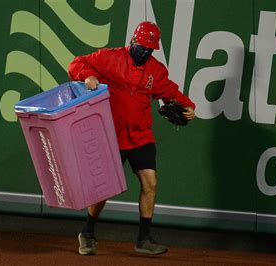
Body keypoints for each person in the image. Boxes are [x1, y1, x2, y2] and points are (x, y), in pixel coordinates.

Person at [68, 21, 196, 255]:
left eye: (150, 49)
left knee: (151, 183)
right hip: (112, 135)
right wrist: (87, 76)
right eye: (142, 46)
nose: (145, 51)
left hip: (141, 135)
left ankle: (143, 239)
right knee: (104, 189)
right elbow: (77, 63)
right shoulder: (111, 58)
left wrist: (188, 106)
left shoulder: (155, 70)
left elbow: (169, 91)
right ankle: (87, 232)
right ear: (133, 41)